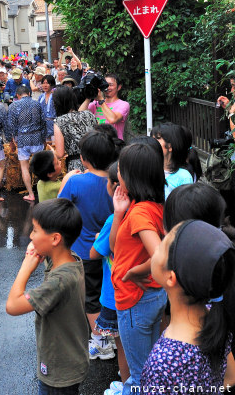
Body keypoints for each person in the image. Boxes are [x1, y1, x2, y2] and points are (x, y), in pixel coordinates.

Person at [6, 198, 89, 395]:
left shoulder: (59, 281)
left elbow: (12, 306)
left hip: (58, 371)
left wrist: (26, 266)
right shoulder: (70, 260)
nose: (30, 235)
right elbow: (49, 259)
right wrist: (39, 252)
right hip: (70, 359)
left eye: (35, 230)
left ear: (55, 239)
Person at [141, 220, 235, 392]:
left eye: (162, 244)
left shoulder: (162, 363)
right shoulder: (214, 319)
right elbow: (231, 377)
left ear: (171, 277)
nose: (155, 248)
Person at [110, 143, 167, 395]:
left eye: (120, 169)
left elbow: (160, 256)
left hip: (135, 300)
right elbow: (115, 247)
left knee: (141, 377)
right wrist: (119, 213)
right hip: (150, 297)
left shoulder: (140, 212)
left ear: (131, 175)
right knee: (151, 368)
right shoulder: (147, 205)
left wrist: (135, 272)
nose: (117, 173)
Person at [58, 130, 115, 360]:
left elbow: (59, 206)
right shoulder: (115, 182)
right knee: (105, 295)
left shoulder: (77, 181)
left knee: (91, 300)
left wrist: (67, 178)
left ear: (84, 158)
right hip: (109, 251)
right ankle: (109, 334)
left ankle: (102, 343)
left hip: (84, 253)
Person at [89, 162, 129, 395]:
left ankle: (126, 387)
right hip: (139, 294)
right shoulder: (144, 212)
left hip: (114, 295)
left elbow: (96, 252)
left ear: (116, 187)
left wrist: (99, 238)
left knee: (122, 348)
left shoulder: (113, 220)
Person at [6, 85, 46, 202]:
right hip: (37, 137)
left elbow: (11, 126)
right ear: (29, 94)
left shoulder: (13, 106)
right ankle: (42, 191)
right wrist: (43, 139)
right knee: (41, 166)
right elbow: (43, 122)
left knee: (24, 167)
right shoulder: (37, 104)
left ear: (17, 95)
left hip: (23, 140)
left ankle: (30, 194)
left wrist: (11, 141)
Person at [151, 122, 200, 199]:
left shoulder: (183, 177)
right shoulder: (150, 168)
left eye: (157, 139)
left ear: (170, 146)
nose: (151, 143)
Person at [53, 86, 97, 172]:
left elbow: (60, 153)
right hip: (96, 161)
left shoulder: (59, 121)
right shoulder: (89, 114)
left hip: (76, 165)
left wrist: (52, 151)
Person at [80, 73, 130, 141]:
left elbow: (113, 119)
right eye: (105, 84)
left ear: (119, 87)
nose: (107, 88)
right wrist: (89, 96)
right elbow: (79, 115)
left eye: (110, 85)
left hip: (114, 144)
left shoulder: (123, 104)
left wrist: (101, 100)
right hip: (97, 143)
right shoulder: (95, 103)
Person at [38, 75, 57, 140]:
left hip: (54, 124)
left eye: (47, 83)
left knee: (55, 144)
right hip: (43, 125)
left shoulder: (56, 95)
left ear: (52, 84)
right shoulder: (41, 97)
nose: (45, 85)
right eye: (43, 83)